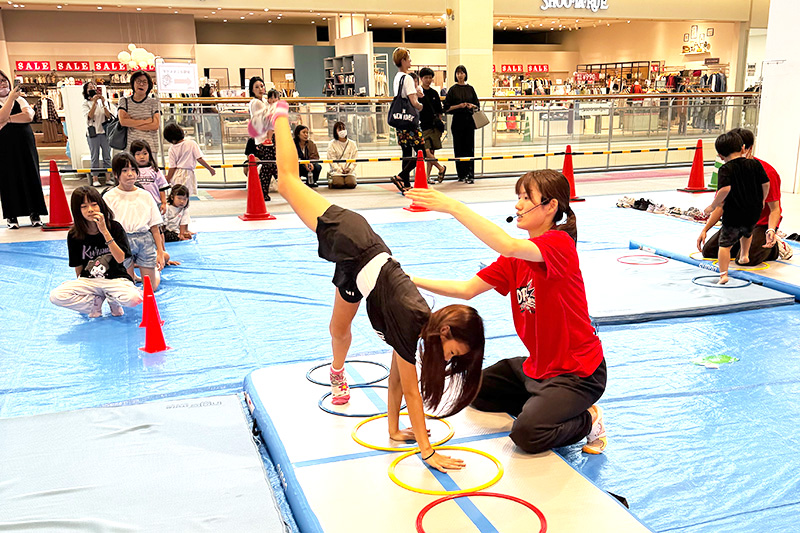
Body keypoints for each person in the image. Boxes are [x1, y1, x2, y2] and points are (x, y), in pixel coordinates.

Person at [268, 99, 485, 472]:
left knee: (339, 328)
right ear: (445, 330)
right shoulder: (413, 318)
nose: (446, 359)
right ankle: (279, 114)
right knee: (288, 182)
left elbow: (400, 379)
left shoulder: (421, 328)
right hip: (354, 240)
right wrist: (427, 453)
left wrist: (393, 428)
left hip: (362, 270)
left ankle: (340, 373)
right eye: (451, 353)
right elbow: (413, 393)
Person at [406, 169, 607, 455]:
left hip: (578, 373)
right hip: (539, 367)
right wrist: (410, 279)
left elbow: (508, 245)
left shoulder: (559, 245)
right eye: (518, 197)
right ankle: (547, 405)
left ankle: (589, 421)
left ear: (551, 207)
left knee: (527, 434)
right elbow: (466, 289)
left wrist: (453, 206)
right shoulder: (514, 260)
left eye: (527, 198)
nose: (518, 205)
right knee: (477, 391)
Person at [699, 128, 791, 264]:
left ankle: (777, 247)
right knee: (710, 251)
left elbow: (774, 209)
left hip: (760, 223)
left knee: (750, 259)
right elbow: (721, 205)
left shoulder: (765, 171)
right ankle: (740, 246)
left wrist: (770, 229)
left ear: (747, 148)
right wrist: (705, 229)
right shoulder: (728, 170)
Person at [49, 186, 142, 318]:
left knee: (134, 299)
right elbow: (78, 266)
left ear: (101, 205)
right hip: (89, 280)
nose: (90, 210)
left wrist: (104, 231)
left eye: (94, 205)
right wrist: (83, 293)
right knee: (56, 296)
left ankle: (112, 299)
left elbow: (121, 258)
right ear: (77, 210)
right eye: (84, 206)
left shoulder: (114, 227)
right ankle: (94, 303)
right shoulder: (74, 234)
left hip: (116, 279)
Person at [698, 131, 770, 284]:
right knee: (747, 232)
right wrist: (762, 199)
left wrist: (712, 206)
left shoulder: (725, 169)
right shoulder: (755, 164)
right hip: (754, 209)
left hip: (734, 212)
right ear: (743, 148)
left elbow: (725, 190)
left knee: (725, 244)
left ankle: (723, 274)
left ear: (720, 156)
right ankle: (744, 255)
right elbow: (766, 184)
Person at [103, 153, 166, 290]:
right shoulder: (109, 197)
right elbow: (106, 228)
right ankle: (132, 276)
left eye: (133, 170)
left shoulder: (145, 195)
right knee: (128, 287)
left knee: (152, 287)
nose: (130, 174)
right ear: (116, 174)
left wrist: (160, 252)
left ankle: (155, 271)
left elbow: (155, 227)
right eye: (125, 171)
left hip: (144, 239)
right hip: (121, 241)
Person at [0, 71, 48, 229]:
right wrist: (10, 102)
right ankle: (12, 216)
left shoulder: (20, 99)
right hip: (4, 146)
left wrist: (8, 120)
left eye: (4, 80)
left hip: (25, 143)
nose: (3, 84)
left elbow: (28, 116)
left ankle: (35, 213)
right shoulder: (14, 99)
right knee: (8, 177)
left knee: (31, 174)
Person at [389, 48, 425, 193]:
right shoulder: (408, 78)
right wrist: (420, 106)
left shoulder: (397, 77)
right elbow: (413, 101)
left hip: (400, 120)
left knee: (406, 152)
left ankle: (406, 183)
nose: (410, 61)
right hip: (410, 121)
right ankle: (401, 176)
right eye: (408, 58)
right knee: (421, 151)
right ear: (403, 60)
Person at [443, 65, 480, 184]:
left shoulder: (470, 89)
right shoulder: (453, 89)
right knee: (458, 148)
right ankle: (461, 174)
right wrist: (459, 106)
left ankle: (470, 174)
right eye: (458, 73)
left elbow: (477, 105)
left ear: (465, 74)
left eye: (462, 73)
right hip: (457, 121)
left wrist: (471, 105)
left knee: (469, 148)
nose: (460, 75)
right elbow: (447, 108)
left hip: (469, 121)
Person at [246, 77, 278, 200]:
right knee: (268, 166)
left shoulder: (263, 101)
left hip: (267, 138)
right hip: (264, 139)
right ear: (252, 90)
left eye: (262, 86)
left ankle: (262, 192)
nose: (260, 89)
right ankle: (261, 192)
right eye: (257, 87)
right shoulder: (256, 103)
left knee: (271, 166)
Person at [163, 123, 216, 196]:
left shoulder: (172, 149)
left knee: (177, 196)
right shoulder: (191, 143)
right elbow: (199, 159)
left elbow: (172, 166)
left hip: (176, 175)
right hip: (188, 174)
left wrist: (168, 178)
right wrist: (210, 169)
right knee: (185, 196)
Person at [118, 71, 161, 157]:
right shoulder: (124, 101)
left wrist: (131, 123)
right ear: (133, 83)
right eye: (138, 81)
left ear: (149, 86)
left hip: (150, 148)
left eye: (145, 82)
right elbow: (123, 122)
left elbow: (155, 125)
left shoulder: (154, 102)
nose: (141, 84)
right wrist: (146, 121)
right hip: (131, 147)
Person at [81, 82, 113, 187]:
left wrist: (104, 103)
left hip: (104, 132)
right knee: (94, 156)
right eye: (90, 88)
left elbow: (108, 116)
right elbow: (89, 116)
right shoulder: (85, 103)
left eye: (94, 88)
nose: (93, 89)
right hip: (93, 133)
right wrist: (94, 103)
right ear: (86, 91)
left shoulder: (103, 102)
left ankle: (108, 178)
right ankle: (95, 178)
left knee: (107, 156)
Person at [419, 67, 447, 183]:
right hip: (423, 126)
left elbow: (439, 111)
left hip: (434, 126)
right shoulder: (418, 93)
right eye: (426, 77)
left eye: (430, 77)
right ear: (421, 78)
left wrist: (439, 124)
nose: (428, 80)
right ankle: (440, 168)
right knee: (426, 152)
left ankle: (427, 177)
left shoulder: (434, 93)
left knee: (432, 151)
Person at [131, 139, 170, 213]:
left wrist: (164, 202)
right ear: (133, 156)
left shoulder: (154, 170)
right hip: (137, 205)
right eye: (138, 154)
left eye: (145, 153)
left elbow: (161, 187)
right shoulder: (132, 171)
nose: (142, 157)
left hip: (155, 204)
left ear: (149, 154)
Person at [326, 121, 358, 189]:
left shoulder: (352, 143)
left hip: (349, 171)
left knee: (351, 184)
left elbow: (355, 159)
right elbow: (331, 159)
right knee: (338, 184)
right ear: (335, 132)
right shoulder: (332, 144)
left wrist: (349, 168)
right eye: (340, 129)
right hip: (337, 171)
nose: (342, 131)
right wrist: (339, 169)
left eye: (343, 129)